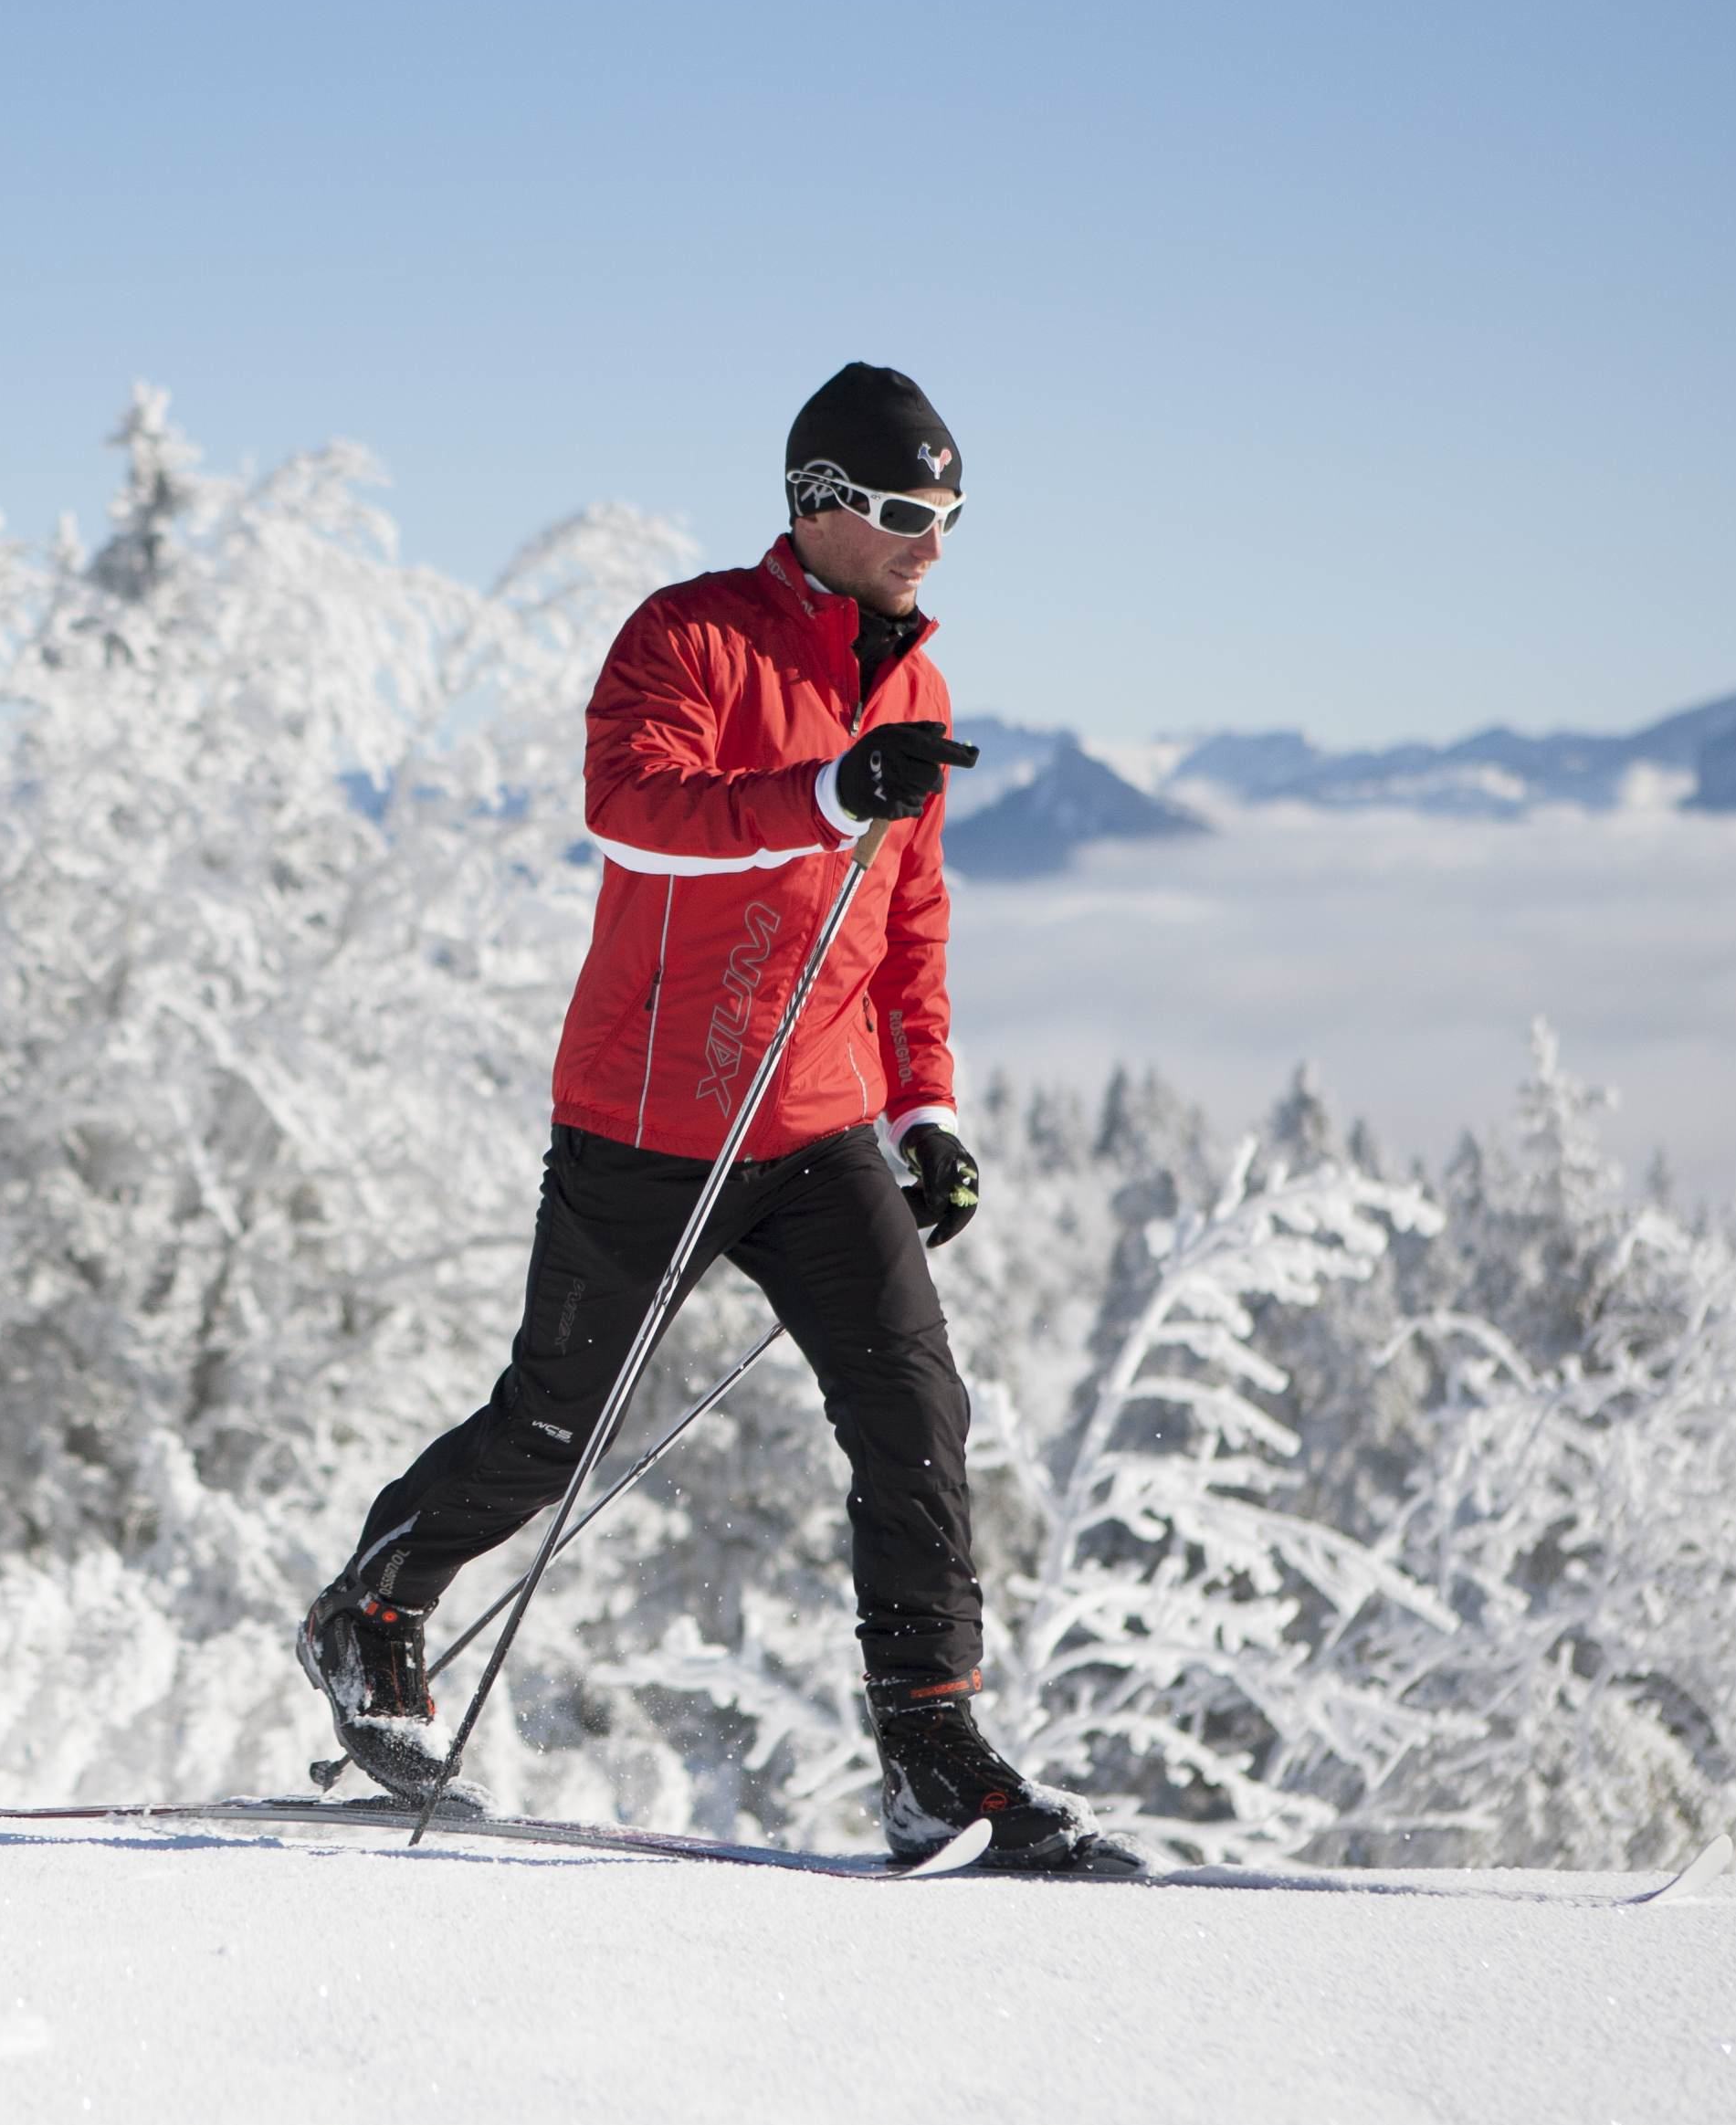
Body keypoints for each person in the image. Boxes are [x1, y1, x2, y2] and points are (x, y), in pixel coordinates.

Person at [297, 363, 1132, 1876]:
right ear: (812, 504)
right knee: (553, 1425)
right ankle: (373, 1610)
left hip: (813, 1128)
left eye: (946, 514)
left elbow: (910, 909)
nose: (926, 540)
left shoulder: (917, 686)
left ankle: (931, 1753)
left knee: (911, 1406)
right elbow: (629, 807)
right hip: (645, 1116)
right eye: (894, 510)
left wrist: (925, 1100)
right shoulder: (687, 634)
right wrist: (821, 791)